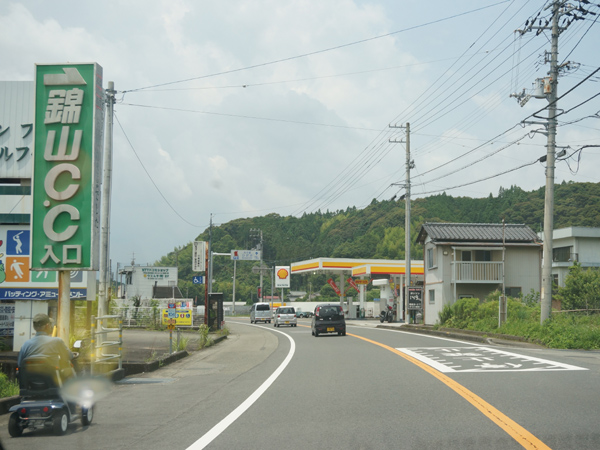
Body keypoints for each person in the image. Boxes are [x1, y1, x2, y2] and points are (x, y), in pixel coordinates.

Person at [18, 313, 74, 381]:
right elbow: (69, 356)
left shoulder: (25, 345)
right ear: (47, 326)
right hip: (53, 383)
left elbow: (20, 365)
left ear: (34, 327)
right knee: (70, 371)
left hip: (30, 384)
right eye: (50, 325)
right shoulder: (57, 341)